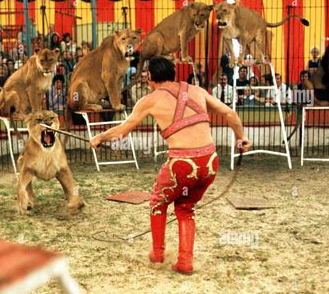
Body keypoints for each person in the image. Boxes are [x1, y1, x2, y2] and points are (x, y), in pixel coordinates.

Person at [89, 56, 250, 275]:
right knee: (185, 206)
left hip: (183, 164)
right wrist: (241, 139)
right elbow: (230, 114)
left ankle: (157, 253)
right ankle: (185, 261)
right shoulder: (197, 91)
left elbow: (122, 131)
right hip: (210, 162)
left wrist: (99, 138)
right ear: (173, 74)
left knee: (157, 201)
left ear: (149, 78)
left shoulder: (150, 100)